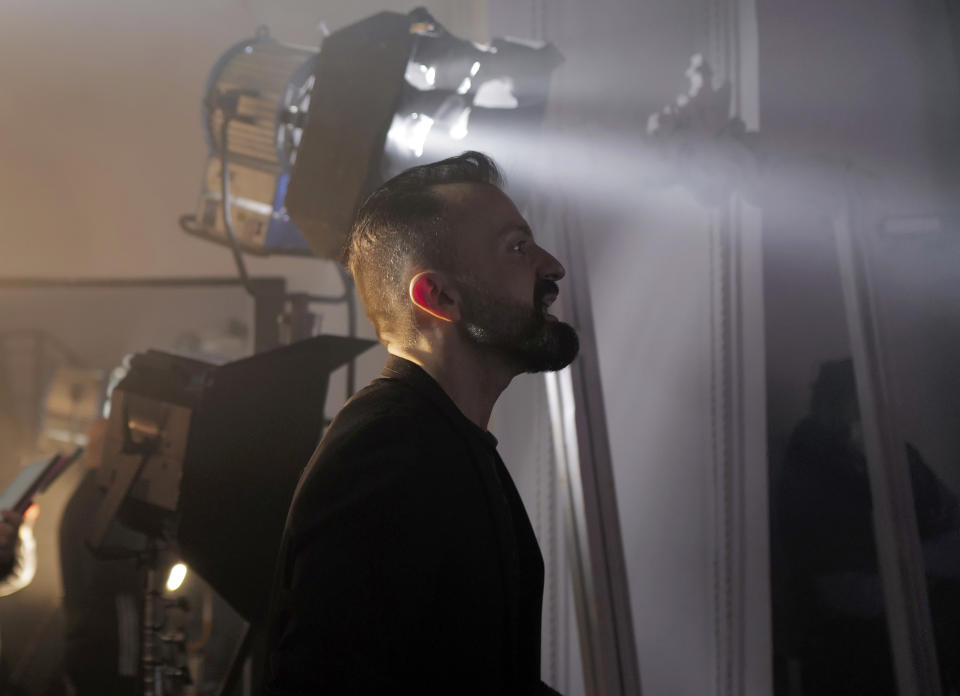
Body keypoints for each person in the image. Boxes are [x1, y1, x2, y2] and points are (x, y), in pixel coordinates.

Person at [263, 151, 578, 695]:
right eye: (517, 248)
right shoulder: (385, 454)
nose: (551, 267)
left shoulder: (443, 441)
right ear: (439, 297)